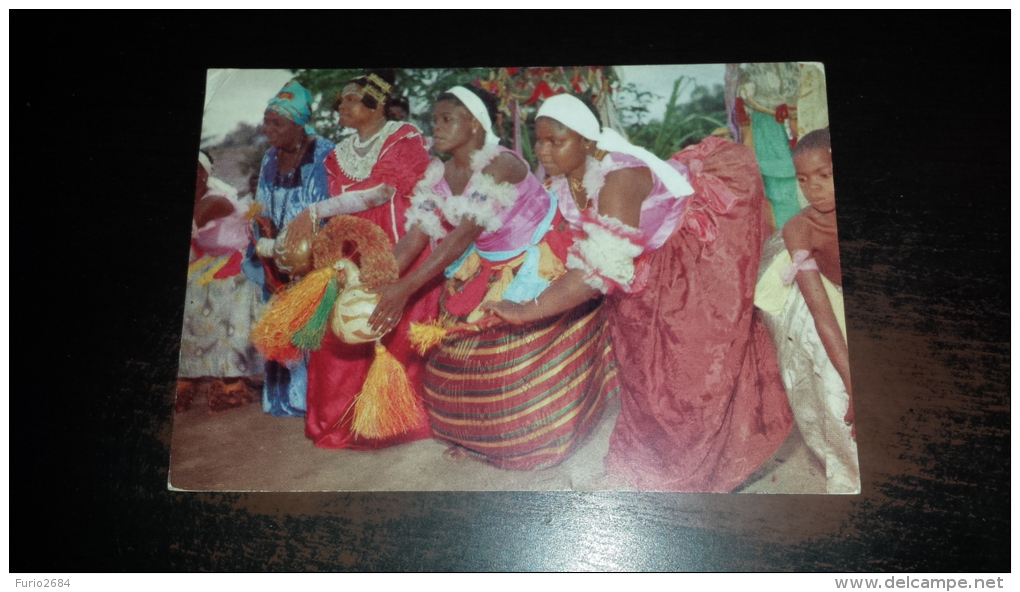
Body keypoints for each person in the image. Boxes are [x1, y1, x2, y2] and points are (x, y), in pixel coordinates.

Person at [486, 94, 792, 491]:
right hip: (638, 271)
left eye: (555, 141)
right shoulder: (563, 180)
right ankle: (653, 465)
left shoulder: (620, 178)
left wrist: (529, 310)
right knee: (643, 373)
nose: (544, 150)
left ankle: (694, 473)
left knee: (691, 371)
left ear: (587, 141)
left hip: (687, 262)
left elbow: (599, 268)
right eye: (539, 140)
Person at [368, 86, 618, 470]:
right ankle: (478, 439)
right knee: (457, 360)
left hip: (536, 259)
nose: (436, 127)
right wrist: (371, 281)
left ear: (474, 122)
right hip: (485, 264)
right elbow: (415, 236)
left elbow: (459, 237)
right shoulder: (440, 174)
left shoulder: (503, 165)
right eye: (434, 119)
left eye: (447, 118)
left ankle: (537, 439)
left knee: (515, 362)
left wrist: (402, 290)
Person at [279, 71, 438, 450]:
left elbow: (382, 192)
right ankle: (346, 419)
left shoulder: (403, 136)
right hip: (351, 242)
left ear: (376, 102)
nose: (341, 106)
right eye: (342, 101)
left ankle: (395, 419)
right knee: (342, 325)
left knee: (392, 324)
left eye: (350, 99)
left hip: (397, 241)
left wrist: (316, 209)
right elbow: (345, 207)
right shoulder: (338, 153)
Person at [755, 127, 858, 493]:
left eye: (824, 176)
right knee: (835, 380)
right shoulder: (800, 228)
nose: (812, 187)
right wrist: (853, 384)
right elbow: (821, 313)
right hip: (824, 297)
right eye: (803, 179)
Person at [246, 80, 335, 417]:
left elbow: (323, 210)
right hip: (275, 259)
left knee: (308, 325)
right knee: (278, 325)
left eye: (276, 123)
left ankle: (309, 402)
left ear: (299, 123)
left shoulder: (322, 153)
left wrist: (300, 261)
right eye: (266, 121)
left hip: (310, 259)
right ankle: (281, 400)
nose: (268, 130)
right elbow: (260, 211)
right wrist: (267, 262)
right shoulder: (270, 156)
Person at [177, 153, 263, 412]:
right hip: (210, 261)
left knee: (223, 294)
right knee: (191, 293)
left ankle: (231, 378)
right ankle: (187, 374)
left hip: (239, 259)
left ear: (203, 174)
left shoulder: (213, 200)